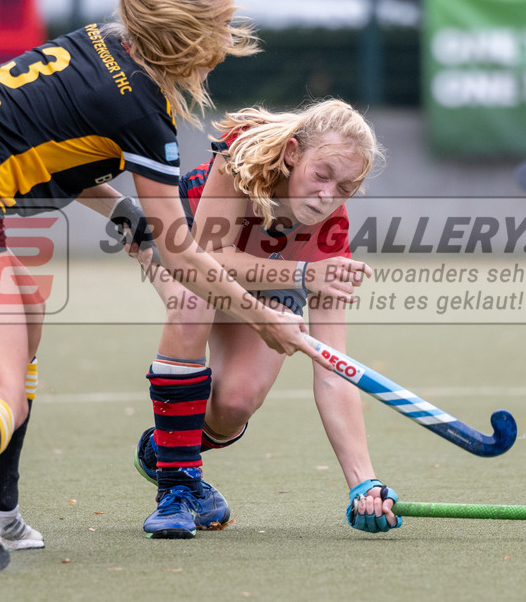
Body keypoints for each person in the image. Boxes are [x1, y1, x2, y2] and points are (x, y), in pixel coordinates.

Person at [0, 0, 314, 571]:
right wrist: (261, 316)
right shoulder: (146, 114)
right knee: (0, 389)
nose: (226, 43)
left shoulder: (94, 44)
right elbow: (181, 253)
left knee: (27, 311)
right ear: (188, 33)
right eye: (221, 27)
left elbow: (47, 148)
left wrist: (120, 207)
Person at [128, 99, 402, 538]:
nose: (328, 195)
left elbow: (333, 369)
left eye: (346, 188)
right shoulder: (245, 157)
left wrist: (363, 482)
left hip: (268, 275)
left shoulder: (331, 239)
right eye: (322, 174)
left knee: (234, 403)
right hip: (185, 239)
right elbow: (207, 259)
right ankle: (177, 487)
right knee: (191, 302)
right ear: (294, 152)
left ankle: (162, 447)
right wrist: (303, 273)